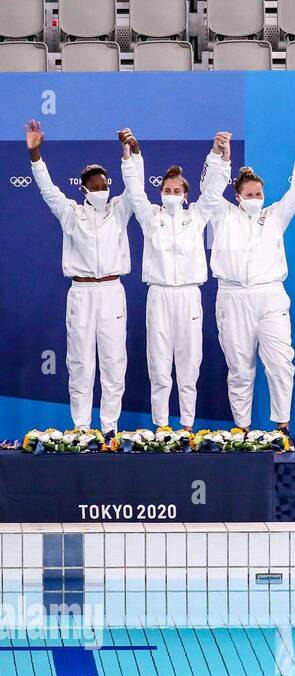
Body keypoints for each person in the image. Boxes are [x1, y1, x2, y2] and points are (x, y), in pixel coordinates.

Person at [202, 130, 295, 449]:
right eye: (249, 195)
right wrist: (220, 157)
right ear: (237, 196)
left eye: (259, 194)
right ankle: (242, 428)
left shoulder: (275, 216)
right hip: (232, 296)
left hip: (270, 295)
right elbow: (208, 192)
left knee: (280, 363)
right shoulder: (223, 216)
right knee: (239, 366)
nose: (255, 199)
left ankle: (282, 426)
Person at [26, 119, 133, 437]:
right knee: (80, 362)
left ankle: (110, 428)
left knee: (114, 361)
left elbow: (135, 187)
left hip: (112, 290)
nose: (101, 191)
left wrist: (128, 155)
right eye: (95, 187)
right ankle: (83, 428)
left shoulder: (120, 209)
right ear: (84, 189)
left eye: (104, 186)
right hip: (81, 292)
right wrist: (35, 155)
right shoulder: (71, 212)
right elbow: (47, 190)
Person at [119, 128, 215, 432]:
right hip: (159, 295)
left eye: (177, 191)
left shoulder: (196, 217)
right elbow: (134, 191)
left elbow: (212, 192)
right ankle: (161, 426)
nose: (171, 195)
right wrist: (132, 155)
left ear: (186, 196)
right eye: (167, 190)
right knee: (159, 365)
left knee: (189, 365)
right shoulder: (151, 217)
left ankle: (187, 426)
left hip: (189, 296)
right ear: (160, 193)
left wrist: (219, 157)